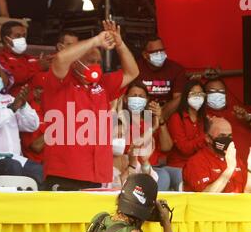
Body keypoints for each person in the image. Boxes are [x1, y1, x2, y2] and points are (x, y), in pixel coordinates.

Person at [42, 20, 139, 191]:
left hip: (96, 173)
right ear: (76, 62)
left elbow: (132, 72)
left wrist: (120, 44)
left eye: (98, 62)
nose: (95, 65)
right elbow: (61, 58)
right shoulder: (60, 81)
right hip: (65, 172)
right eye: (89, 61)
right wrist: (96, 41)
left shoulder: (103, 85)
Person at [183, 117, 251, 193]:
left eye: (230, 136)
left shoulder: (235, 158)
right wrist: (229, 169)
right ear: (207, 138)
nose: (227, 140)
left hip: (239, 209)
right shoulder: (196, 162)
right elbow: (206, 196)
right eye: (222, 135)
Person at [120, 81, 173, 191]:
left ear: (147, 100)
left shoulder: (151, 121)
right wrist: (152, 128)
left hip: (152, 168)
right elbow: (130, 148)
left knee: (166, 175)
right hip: (129, 167)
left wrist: (160, 119)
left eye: (141, 96)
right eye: (134, 96)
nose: (137, 99)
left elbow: (166, 147)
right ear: (125, 99)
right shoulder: (120, 122)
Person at [204, 77, 251, 162]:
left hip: (250, 166)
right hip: (222, 169)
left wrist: (248, 118)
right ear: (205, 95)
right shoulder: (202, 118)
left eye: (221, 92)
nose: (217, 95)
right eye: (212, 92)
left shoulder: (238, 112)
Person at [165, 80, 207, 189]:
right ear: (185, 96)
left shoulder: (204, 119)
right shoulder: (176, 118)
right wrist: (205, 137)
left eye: (200, 94)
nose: (197, 97)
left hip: (200, 165)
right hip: (179, 166)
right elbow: (184, 148)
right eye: (193, 94)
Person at [136, 35, 188, 120]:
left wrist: (161, 116)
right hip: (143, 114)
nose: (159, 54)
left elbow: (178, 98)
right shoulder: (136, 68)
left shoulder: (176, 69)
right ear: (145, 55)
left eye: (161, 50)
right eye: (155, 52)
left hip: (168, 113)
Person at [0, 20, 49, 97]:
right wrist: (38, 66)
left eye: (24, 36)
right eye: (18, 36)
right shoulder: (0, 59)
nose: (22, 39)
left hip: (39, 103)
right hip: (15, 104)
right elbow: (13, 78)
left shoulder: (29, 58)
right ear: (6, 39)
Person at [109, 119, 158, 189]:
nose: (120, 139)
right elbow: (114, 188)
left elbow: (151, 181)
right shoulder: (101, 163)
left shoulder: (129, 158)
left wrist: (144, 162)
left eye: (122, 135)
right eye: (115, 136)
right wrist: (131, 166)